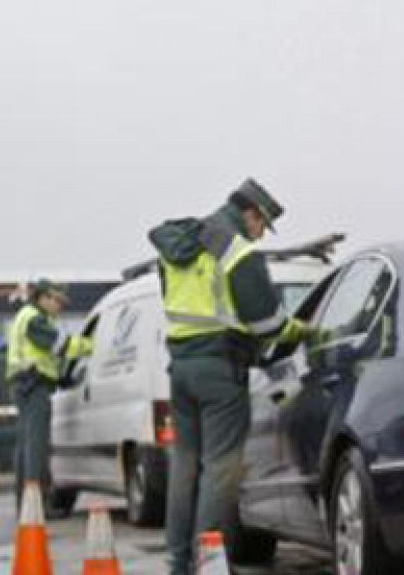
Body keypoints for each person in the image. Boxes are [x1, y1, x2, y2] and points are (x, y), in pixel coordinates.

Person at [150, 178, 319, 575]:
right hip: (221, 370)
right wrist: (299, 330)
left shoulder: (180, 244)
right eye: (262, 226)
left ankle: (178, 560)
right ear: (251, 214)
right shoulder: (237, 252)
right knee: (221, 469)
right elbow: (267, 324)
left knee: (185, 465)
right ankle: (207, 558)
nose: (260, 235)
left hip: (181, 370)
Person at [6, 277, 93, 505]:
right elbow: (61, 346)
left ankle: (28, 504)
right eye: (58, 301)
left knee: (27, 447)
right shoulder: (34, 320)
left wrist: (61, 376)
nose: (61, 307)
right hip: (33, 387)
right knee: (35, 449)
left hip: (27, 386)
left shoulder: (29, 317)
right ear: (43, 298)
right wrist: (92, 345)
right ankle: (35, 505)